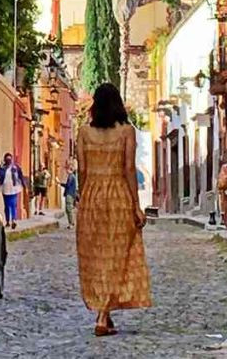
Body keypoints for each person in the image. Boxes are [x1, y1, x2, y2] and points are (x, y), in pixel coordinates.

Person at [76, 83, 152, 337]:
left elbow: (83, 170)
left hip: (92, 197)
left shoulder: (84, 133)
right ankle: (102, 314)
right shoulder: (127, 132)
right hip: (118, 196)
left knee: (96, 255)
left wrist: (84, 197)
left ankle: (103, 311)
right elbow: (129, 169)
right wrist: (136, 205)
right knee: (116, 255)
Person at [0, 153, 26, 229]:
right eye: (7, 159)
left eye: (10, 159)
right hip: (5, 189)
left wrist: (24, 185)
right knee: (7, 206)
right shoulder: (2, 167)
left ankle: (13, 220)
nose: (8, 161)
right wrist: (0, 166)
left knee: (13, 205)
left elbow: (20, 176)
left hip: (14, 189)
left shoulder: (15, 167)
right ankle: (8, 221)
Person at [59, 160, 79, 228]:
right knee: (68, 209)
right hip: (70, 194)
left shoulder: (71, 177)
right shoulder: (72, 176)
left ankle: (71, 223)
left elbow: (68, 185)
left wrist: (60, 183)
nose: (66, 171)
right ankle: (71, 223)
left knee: (69, 209)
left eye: (67, 169)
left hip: (69, 194)